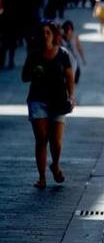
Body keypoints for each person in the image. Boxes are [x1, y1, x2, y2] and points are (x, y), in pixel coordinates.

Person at [22, 21, 75, 189]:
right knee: (41, 140)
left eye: (48, 32)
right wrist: (34, 71)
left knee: (56, 142)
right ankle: (42, 178)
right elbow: (24, 77)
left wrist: (72, 96)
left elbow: (69, 77)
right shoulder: (34, 55)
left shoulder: (63, 54)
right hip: (38, 100)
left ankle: (55, 165)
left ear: (53, 35)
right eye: (42, 33)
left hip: (58, 101)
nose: (45, 35)